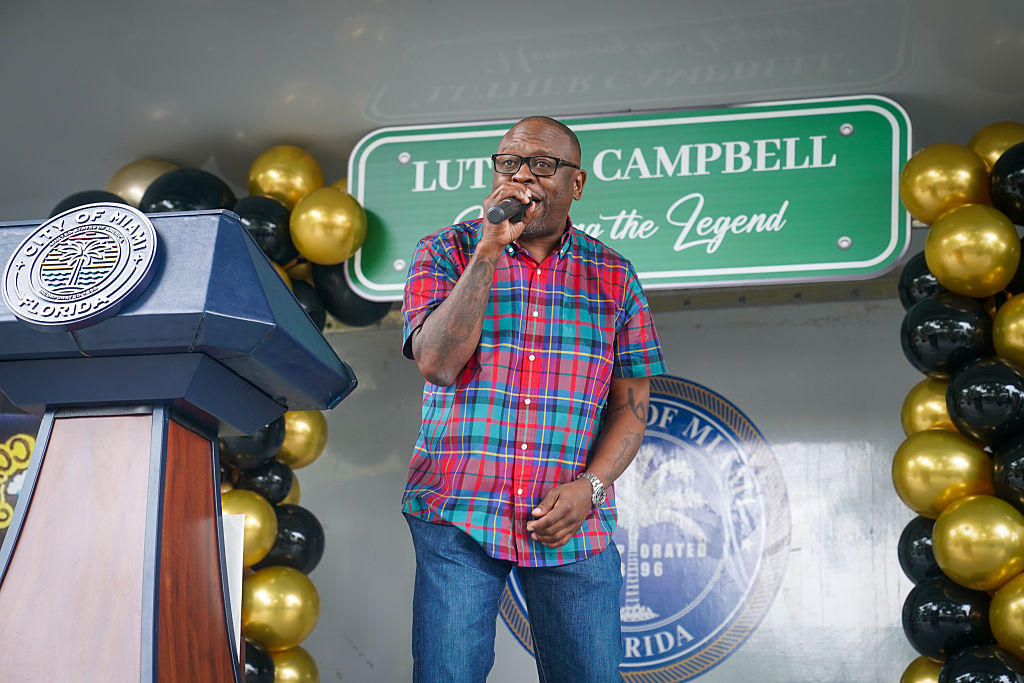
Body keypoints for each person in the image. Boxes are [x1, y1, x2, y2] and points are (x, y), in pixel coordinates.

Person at [401, 115, 666, 682]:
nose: (522, 176)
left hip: (571, 520)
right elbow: (437, 363)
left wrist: (590, 489)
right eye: (509, 163)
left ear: (577, 183)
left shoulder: (615, 276)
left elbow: (632, 409)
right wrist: (488, 251)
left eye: (543, 165)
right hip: (458, 509)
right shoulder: (444, 252)